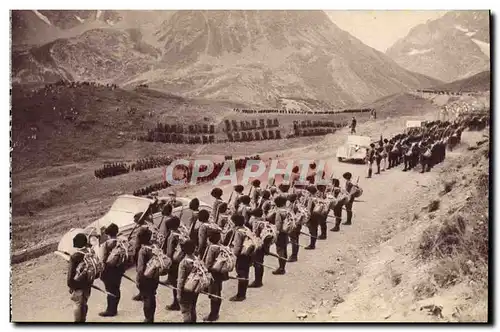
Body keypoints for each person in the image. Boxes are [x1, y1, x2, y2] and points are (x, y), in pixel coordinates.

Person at [99, 223, 124, 317]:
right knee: (116, 289)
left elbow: (102, 259)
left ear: (107, 234)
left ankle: (110, 310)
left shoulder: (106, 244)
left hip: (109, 270)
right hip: (119, 269)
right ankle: (114, 308)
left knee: (110, 290)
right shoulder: (121, 242)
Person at [67, 233, 93, 322]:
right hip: (88, 283)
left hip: (78, 284)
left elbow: (70, 278)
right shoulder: (90, 252)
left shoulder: (75, 256)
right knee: (84, 302)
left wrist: (71, 286)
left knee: (77, 304)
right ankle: (83, 320)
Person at [135, 228, 159, 323]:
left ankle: (148, 318)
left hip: (145, 278)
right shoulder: (154, 247)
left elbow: (140, 269)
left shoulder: (142, 251)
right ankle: (151, 317)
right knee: (152, 296)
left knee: (146, 298)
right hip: (155, 276)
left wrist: (138, 280)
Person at [203, 232, 227, 321]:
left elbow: (208, 264)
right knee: (218, 293)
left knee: (213, 294)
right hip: (220, 273)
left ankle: (213, 315)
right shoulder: (221, 246)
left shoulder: (212, 248)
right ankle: (215, 313)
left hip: (213, 274)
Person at [229, 214, 251, 301]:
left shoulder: (238, 232)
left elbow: (237, 246)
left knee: (241, 274)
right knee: (246, 273)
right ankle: (243, 293)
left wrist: (234, 255)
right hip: (248, 254)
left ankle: (240, 295)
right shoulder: (246, 229)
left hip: (241, 256)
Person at [177, 240, 199, 322]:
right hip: (195, 289)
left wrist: (178, 294)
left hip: (185, 290)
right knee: (193, 308)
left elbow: (180, 280)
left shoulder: (183, 263)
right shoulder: (197, 260)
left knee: (185, 311)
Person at [266, 196, 288, 275]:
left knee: (280, 250)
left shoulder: (278, 212)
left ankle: (281, 268)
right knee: (284, 249)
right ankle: (283, 266)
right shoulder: (287, 210)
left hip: (280, 233)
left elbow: (278, 223)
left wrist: (276, 233)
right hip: (286, 231)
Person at [165, 216, 182, 311]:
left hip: (174, 262)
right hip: (180, 260)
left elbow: (169, 251)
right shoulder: (181, 233)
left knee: (174, 284)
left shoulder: (172, 236)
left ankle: (176, 303)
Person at [304, 185, 318, 250]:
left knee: (312, 231)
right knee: (315, 230)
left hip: (312, 216)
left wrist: (307, 219)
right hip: (316, 215)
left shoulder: (310, 199)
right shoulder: (316, 197)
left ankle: (312, 245)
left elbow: (309, 210)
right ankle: (313, 244)